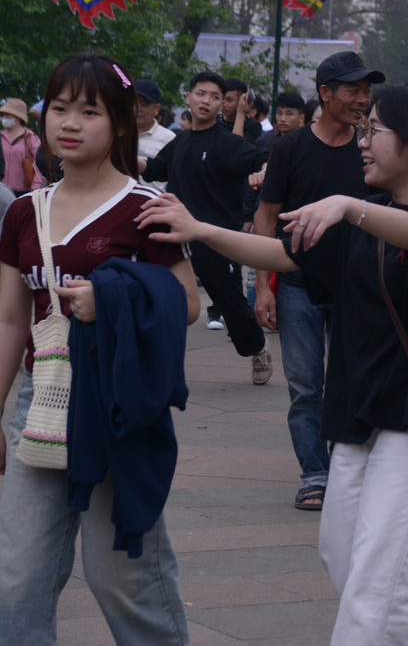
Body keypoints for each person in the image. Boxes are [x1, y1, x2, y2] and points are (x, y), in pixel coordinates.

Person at [141, 82, 408, 646]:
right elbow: (286, 254)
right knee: (341, 552)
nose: (364, 140)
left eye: (377, 129)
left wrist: (349, 207)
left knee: (376, 573)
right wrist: (201, 230)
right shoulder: (367, 213)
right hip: (355, 405)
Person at [0, 52, 200, 646]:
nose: (69, 122)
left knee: (122, 576)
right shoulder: (21, 213)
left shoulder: (148, 209)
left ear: (117, 122)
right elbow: (11, 319)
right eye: (59, 108)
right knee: (17, 576)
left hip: (117, 404)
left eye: (88, 111)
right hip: (40, 400)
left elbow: (186, 303)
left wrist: (110, 301)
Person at [253, 52, 382, 510]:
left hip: (359, 291)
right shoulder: (290, 148)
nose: (362, 100)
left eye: (367, 91)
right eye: (353, 90)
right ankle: (315, 475)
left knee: (357, 382)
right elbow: (266, 219)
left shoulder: (371, 146)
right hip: (298, 289)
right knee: (306, 387)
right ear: (324, 94)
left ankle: (350, 471)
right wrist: (263, 287)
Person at [141, 72, 269, 381]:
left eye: (215, 97)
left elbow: (263, 157)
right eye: (201, 94)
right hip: (174, 235)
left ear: (223, 105)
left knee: (230, 303)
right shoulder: (180, 140)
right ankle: (154, 360)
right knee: (158, 295)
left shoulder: (227, 144)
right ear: (189, 96)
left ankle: (257, 349)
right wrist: (114, 159)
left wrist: (264, 171)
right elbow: (155, 168)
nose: (206, 101)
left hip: (215, 238)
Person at [134, 80, 175, 193]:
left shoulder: (169, 138)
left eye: (144, 104)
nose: (138, 109)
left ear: (156, 109)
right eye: (133, 102)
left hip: (154, 206)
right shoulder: (115, 135)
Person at [0, 99, 45, 196]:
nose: (4, 118)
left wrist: (35, 190)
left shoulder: (31, 138)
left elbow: (40, 164)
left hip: (24, 192)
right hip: (2, 191)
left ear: (18, 117)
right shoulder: (1, 136)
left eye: (8, 115)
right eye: (3, 115)